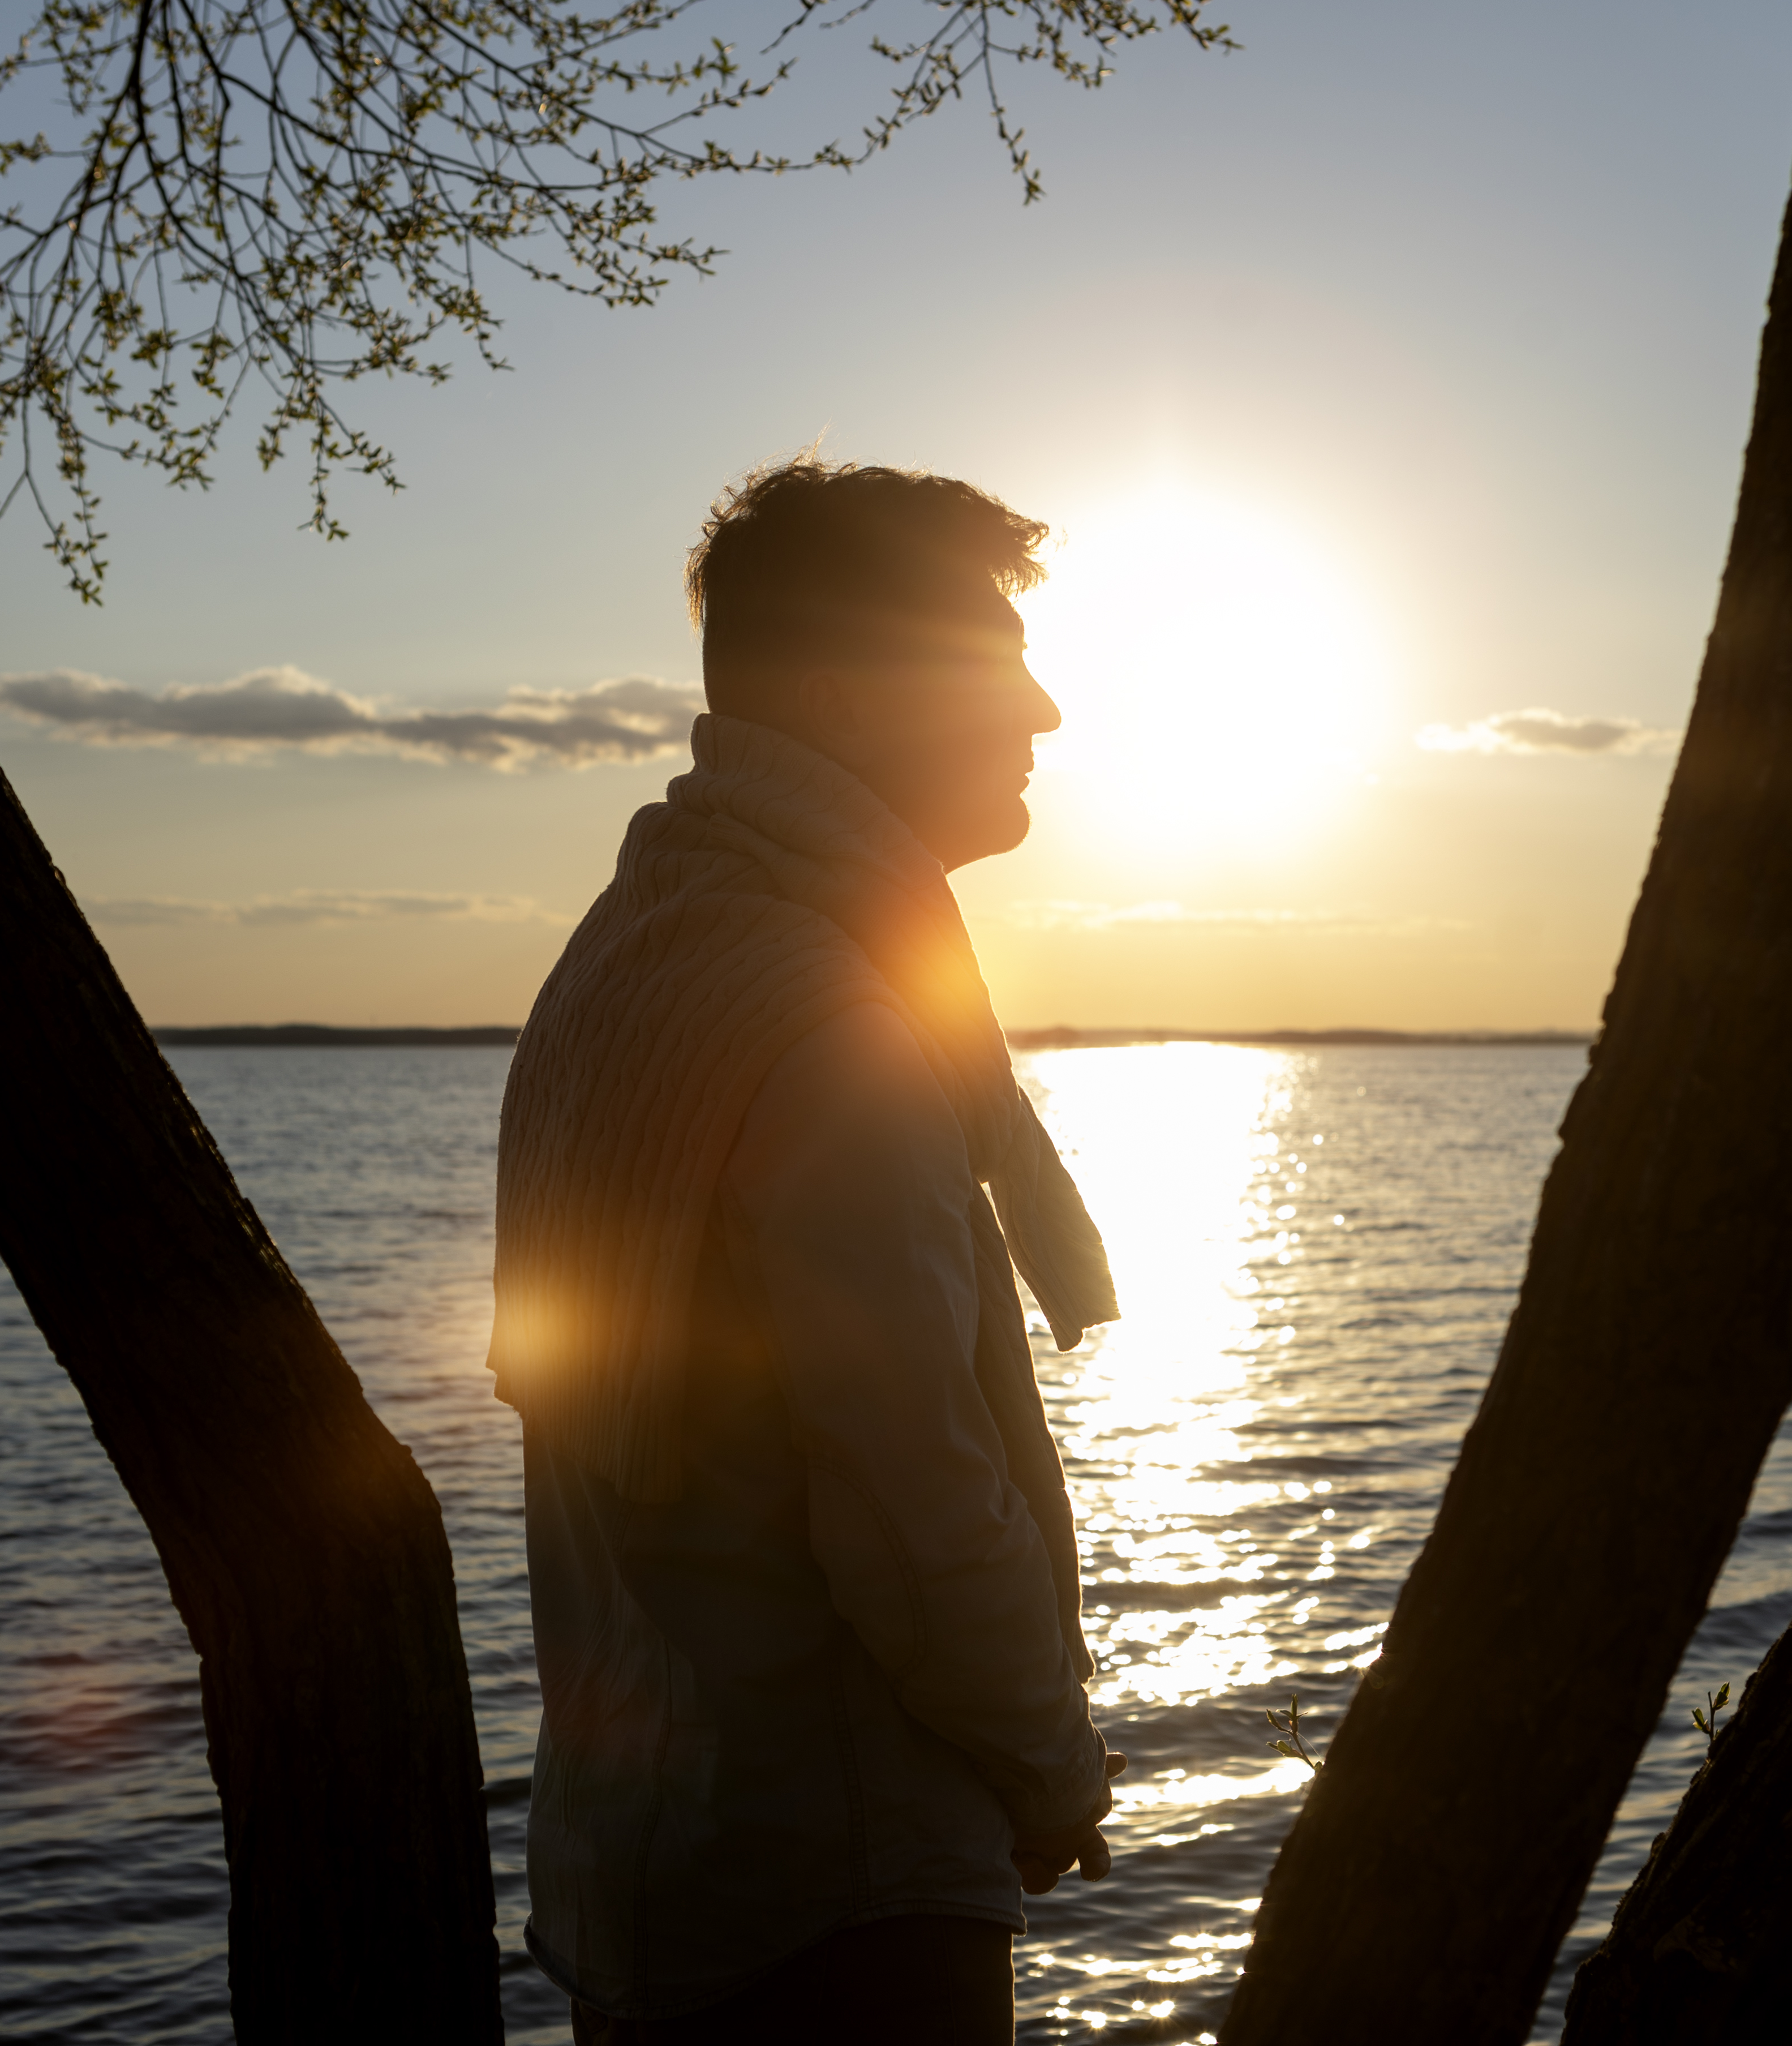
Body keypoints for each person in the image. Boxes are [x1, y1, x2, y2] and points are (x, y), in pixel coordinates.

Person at [488, 458, 1125, 2044]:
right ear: (844, 696)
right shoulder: (830, 1022)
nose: (1042, 711)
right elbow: (915, 1510)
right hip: (847, 1912)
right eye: (990, 660)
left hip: (645, 1894)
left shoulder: (617, 971)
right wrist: (1050, 1769)